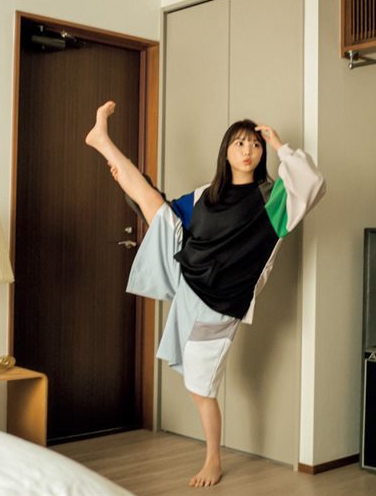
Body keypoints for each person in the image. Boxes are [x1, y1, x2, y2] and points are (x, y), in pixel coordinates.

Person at [85, 101, 325, 488]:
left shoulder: (272, 198)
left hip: (223, 301)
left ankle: (213, 459)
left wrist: (280, 145)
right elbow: (160, 209)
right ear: (225, 152)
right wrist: (128, 182)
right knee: (153, 202)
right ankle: (103, 142)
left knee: (201, 385)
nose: (248, 150)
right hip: (189, 284)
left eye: (255, 145)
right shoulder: (204, 196)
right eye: (239, 143)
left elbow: (311, 183)